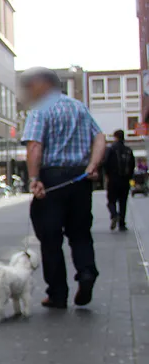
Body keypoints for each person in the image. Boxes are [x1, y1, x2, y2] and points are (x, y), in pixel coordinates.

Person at [20, 67, 106, 309]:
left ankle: (57, 294)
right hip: (80, 179)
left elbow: (35, 146)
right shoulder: (79, 107)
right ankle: (87, 272)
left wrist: (34, 178)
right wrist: (92, 165)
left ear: (42, 85)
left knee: (50, 239)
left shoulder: (40, 110)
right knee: (80, 233)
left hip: (52, 181)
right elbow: (100, 137)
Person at [103, 129, 135, 231]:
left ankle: (114, 214)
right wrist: (129, 177)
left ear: (115, 137)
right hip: (125, 180)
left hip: (113, 179)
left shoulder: (111, 149)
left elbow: (105, 163)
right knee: (123, 202)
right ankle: (122, 223)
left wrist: (107, 175)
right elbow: (132, 165)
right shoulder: (128, 150)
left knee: (111, 201)